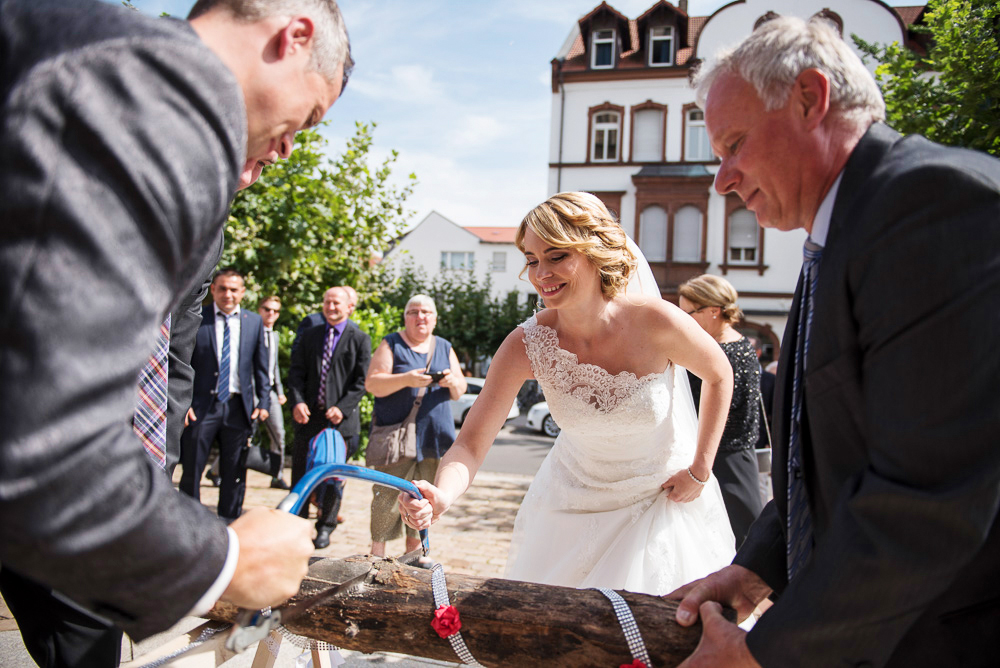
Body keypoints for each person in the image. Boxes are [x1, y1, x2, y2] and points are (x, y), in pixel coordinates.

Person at [0, 0, 353, 650]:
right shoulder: (159, 95)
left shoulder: (79, 56)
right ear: (294, 37)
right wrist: (224, 563)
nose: (288, 148)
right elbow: (44, 446)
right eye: (306, 119)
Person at [670, 15, 1000, 668]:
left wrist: (763, 655)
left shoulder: (932, 204)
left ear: (810, 99)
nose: (722, 179)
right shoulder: (845, 230)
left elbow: (924, 500)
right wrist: (757, 568)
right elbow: (819, 455)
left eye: (733, 143)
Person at [401, 192, 737, 595]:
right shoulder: (525, 344)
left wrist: (700, 469)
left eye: (557, 256)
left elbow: (720, 374)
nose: (541, 272)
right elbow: (471, 444)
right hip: (569, 514)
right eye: (531, 259)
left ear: (595, 251)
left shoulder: (656, 321)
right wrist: (443, 494)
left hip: (661, 503)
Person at [365, 294, 467, 564]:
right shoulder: (392, 343)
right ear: (405, 317)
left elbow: (460, 390)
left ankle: (414, 554)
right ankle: (377, 556)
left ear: (434, 319)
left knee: (422, 500)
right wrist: (407, 379)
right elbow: (373, 384)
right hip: (399, 438)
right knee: (386, 496)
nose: (420, 316)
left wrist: (450, 382)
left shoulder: (444, 345)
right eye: (413, 311)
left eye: (426, 312)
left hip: (434, 438)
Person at [679, 275, 765, 549]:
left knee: (740, 542)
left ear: (713, 311)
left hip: (724, 461)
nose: (682, 320)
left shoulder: (721, 352)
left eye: (688, 313)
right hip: (732, 456)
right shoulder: (739, 344)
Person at [179, 268, 270, 521]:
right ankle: (189, 521)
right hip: (201, 407)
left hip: (238, 408)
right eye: (222, 288)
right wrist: (183, 402)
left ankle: (229, 524)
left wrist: (263, 402)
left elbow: (261, 367)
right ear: (213, 290)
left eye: (233, 289)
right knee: (192, 469)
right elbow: (184, 362)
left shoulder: (253, 322)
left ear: (242, 292)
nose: (227, 294)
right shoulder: (198, 318)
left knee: (234, 472)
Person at [287, 286, 371, 549]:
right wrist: (297, 402)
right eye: (327, 302)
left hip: (340, 422)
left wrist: (343, 407)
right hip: (308, 417)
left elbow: (362, 380)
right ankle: (297, 526)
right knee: (300, 474)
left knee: (334, 477)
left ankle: (325, 526)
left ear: (349, 307)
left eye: (336, 303)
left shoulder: (360, 338)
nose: (331, 307)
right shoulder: (311, 334)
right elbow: (296, 372)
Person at [258, 295, 291, 489]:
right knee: (241, 434)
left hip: (270, 391)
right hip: (251, 392)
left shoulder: (275, 336)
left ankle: (277, 474)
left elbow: (274, 366)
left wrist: (279, 390)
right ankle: (216, 470)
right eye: (267, 309)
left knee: (279, 433)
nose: (271, 313)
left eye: (276, 311)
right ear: (259, 309)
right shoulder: (251, 331)